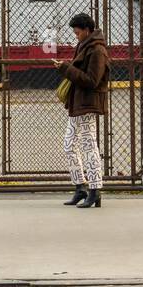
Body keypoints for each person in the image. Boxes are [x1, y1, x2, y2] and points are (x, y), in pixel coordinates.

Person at [53, 12, 109, 209]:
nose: (75, 36)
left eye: (77, 32)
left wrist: (66, 69)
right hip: (78, 104)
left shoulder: (97, 51)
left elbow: (92, 80)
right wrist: (66, 68)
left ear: (87, 30)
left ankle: (95, 190)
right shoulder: (84, 46)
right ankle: (81, 187)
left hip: (87, 104)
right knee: (69, 145)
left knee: (88, 146)